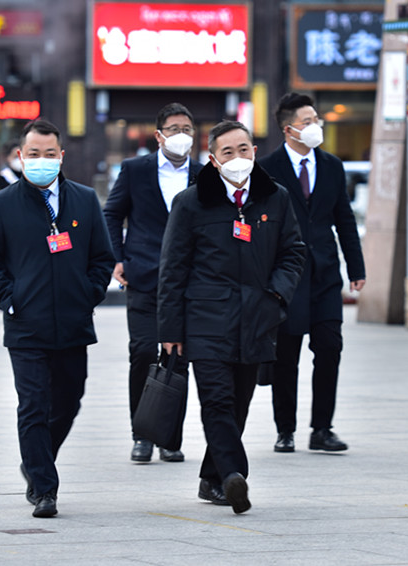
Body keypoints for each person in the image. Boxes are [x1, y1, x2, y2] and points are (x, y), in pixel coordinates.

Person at [158, 121, 305, 514]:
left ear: (254, 151)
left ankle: (212, 478)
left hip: (257, 316)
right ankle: (234, 475)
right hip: (205, 318)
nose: (237, 157)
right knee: (217, 400)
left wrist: (276, 294)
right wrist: (170, 328)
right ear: (213, 159)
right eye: (228, 151)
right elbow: (172, 269)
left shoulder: (276, 198)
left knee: (239, 402)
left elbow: (293, 252)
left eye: (244, 149)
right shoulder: (190, 203)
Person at [0, 119, 115, 518]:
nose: (41, 160)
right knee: (33, 405)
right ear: (21, 156)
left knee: (68, 402)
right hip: (26, 326)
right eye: (33, 153)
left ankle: (37, 460)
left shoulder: (84, 200)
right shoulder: (2, 204)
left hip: (73, 323)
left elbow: (102, 258)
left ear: (61, 156)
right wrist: (10, 299)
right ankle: (44, 488)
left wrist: (88, 294)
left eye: (49, 153)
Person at [258, 93, 366, 454]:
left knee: (330, 348)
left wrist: (356, 267)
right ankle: (285, 429)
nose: (315, 126)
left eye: (316, 119)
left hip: (325, 276)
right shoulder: (268, 168)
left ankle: (322, 428)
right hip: (286, 277)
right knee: (286, 357)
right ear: (288, 129)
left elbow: (344, 219)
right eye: (308, 121)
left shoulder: (332, 166)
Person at [103, 103, 202, 464]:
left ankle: (170, 438)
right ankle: (141, 434)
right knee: (144, 352)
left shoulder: (204, 173)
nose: (181, 135)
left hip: (188, 280)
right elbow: (112, 214)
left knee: (177, 357)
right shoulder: (135, 170)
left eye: (187, 129)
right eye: (174, 129)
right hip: (143, 274)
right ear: (159, 135)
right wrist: (116, 258)